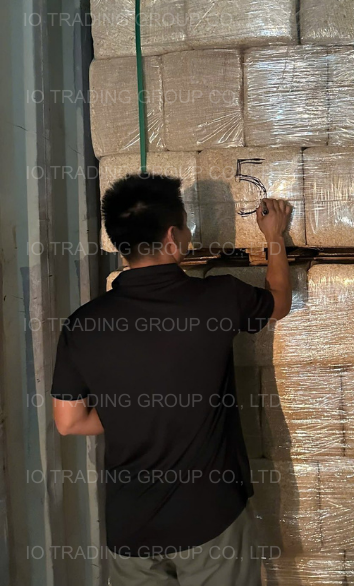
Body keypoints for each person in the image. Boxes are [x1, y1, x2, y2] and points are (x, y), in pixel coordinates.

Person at [50, 173, 292, 586]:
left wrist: (131, 411)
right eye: (185, 225)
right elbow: (279, 302)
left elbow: (69, 422)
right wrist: (274, 236)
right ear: (171, 238)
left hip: (130, 529)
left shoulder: (82, 325)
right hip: (210, 518)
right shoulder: (217, 299)